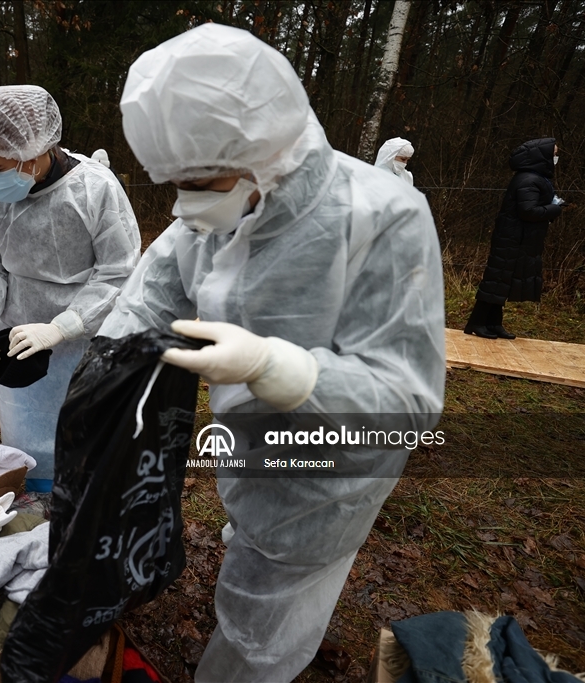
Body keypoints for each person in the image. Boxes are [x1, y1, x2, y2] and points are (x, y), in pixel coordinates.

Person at [101, 24, 444, 682]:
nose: (187, 197)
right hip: (249, 450)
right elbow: (150, 293)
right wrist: (104, 364)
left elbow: (407, 401)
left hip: (327, 478)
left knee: (265, 632)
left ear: (263, 147)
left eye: (203, 177)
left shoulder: (385, 217)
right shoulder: (217, 211)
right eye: (179, 179)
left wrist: (274, 367)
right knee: (252, 538)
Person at [0, 84, 141, 493]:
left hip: (90, 339)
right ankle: (39, 495)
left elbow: (118, 272)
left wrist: (64, 325)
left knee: (90, 430)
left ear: (37, 148)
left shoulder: (95, 189)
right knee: (28, 432)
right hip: (21, 344)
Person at [464, 138, 563, 340]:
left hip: (518, 238)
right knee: (496, 280)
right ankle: (476, 322)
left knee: (503, 280)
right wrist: (555, 208)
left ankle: (493, 322)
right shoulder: (528, 179)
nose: (555, 158)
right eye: (553, 154)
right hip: (512, 238)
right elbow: (527, 211)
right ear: (542, 156)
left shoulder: (535, 178)